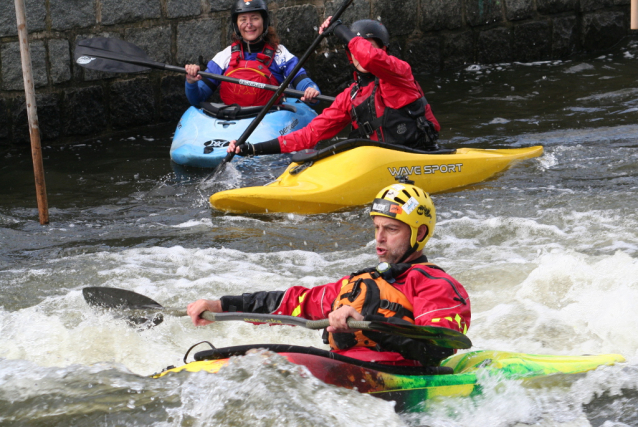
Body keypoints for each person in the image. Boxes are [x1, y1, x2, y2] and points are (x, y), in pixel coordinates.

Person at [187, 182, 470, 368]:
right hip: (345, 367)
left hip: (398, 378)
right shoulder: (360, 284)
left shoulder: (436, 285)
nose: (379, 239)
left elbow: (438, 349)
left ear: (419, 233)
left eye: (391, 230)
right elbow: (293, 302)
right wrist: (220, 305)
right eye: (376, 228)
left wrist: (366, 324)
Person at [226, 17, 442, 157]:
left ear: (383, 50)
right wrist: (255, 148)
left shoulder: (399, 75)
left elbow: (369, 58)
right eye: (355, 50)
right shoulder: (351, 96)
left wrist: (340, 30)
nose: (360, 54)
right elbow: (309, 134)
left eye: (368, 47)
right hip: (378, 163)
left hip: (418, 157)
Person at [184, 0, 321, 107]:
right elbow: (198, 98)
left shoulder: (280, 54)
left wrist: (311, 90)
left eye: (255, 18)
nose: (249, 24)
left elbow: (300, 79)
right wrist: (191, 82)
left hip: (269, 118)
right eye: (243, 19)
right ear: (236, 25)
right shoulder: (225, 56)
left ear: (264, 21)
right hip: (233, 119)